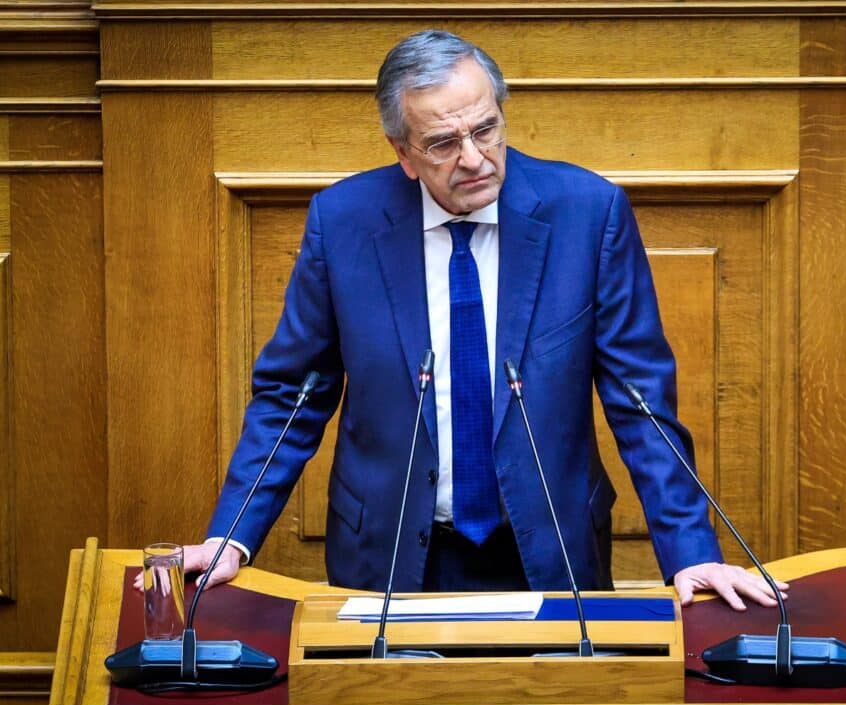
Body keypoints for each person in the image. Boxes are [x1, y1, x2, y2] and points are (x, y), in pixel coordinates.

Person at [165, 29, 786, 610]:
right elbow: (294, 395)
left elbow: (640, 401)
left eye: (486, 130)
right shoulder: (344, 222)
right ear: (403, 152)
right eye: (442, 143)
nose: (474, 158)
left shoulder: (587, 214)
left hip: (551, 547)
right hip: (388, 553)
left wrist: (691, 551)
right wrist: (232, 534)